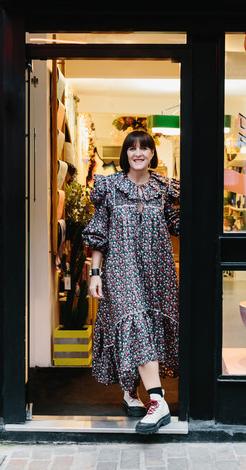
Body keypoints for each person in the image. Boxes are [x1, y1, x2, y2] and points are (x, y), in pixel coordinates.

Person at [82, 129, 180, 434]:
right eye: (132, 149)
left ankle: (129, 393)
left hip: (156, 268)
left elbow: (177, 225)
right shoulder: (109, 186)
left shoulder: (165, 189)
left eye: (144, 148)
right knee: (134, 321)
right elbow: (100, 233)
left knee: (146, 325)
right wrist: (95, 274)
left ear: (153, 154)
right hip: (120, 268)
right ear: (125, 154)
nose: (138, 153)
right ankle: (158, 400)